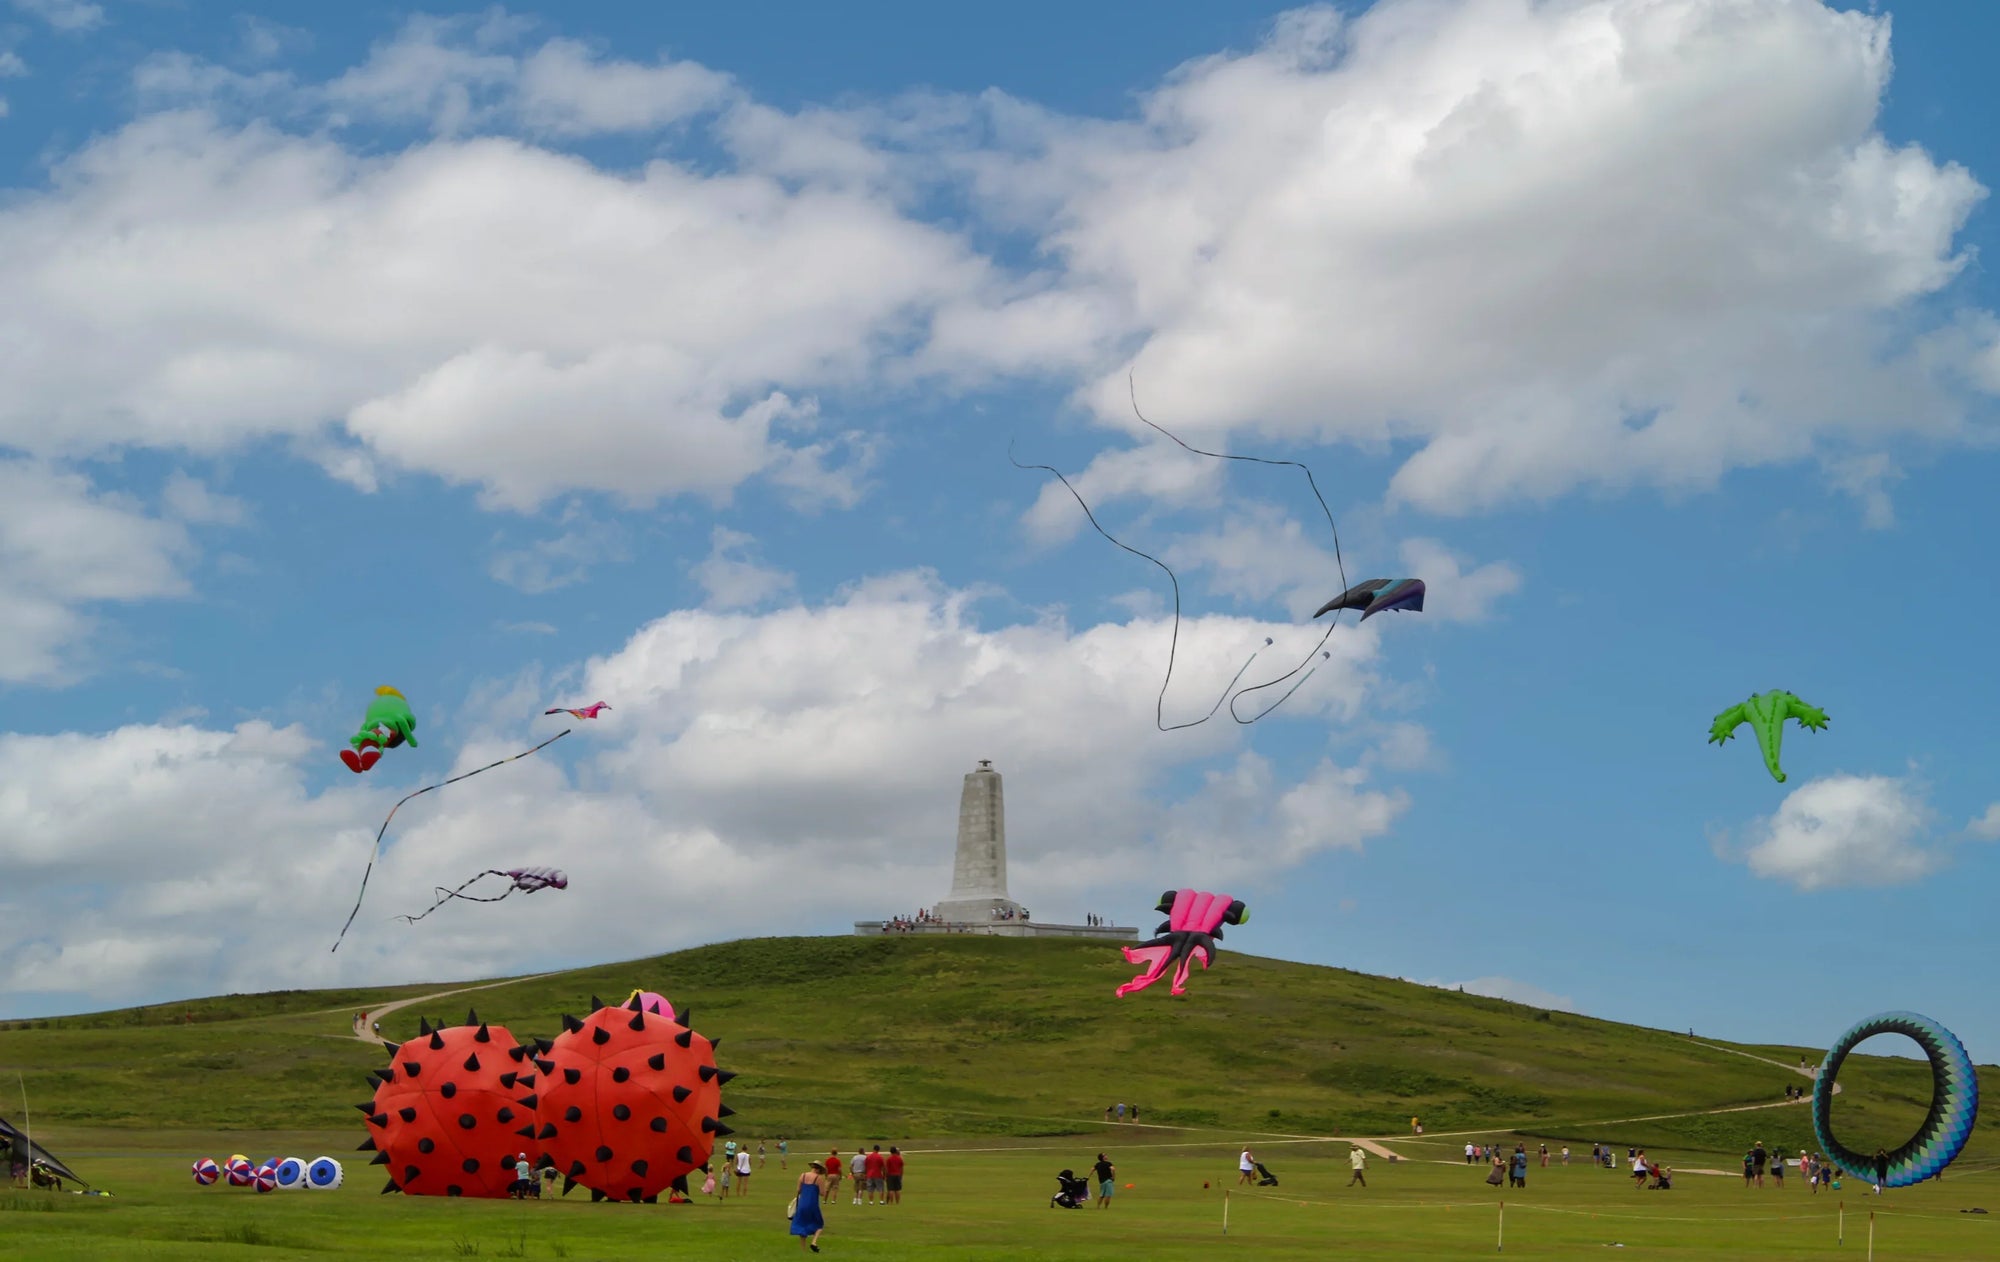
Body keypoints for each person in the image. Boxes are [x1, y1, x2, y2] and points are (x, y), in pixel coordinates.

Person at [789, 1161, 827, 1253]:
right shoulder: (818, 1178)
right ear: (819, 1169)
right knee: (819, 1224)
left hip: (802, 1203)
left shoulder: (803, 1175)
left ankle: (803, 1250)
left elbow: (798, 1190)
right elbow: (822, 1193)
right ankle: (814, 1242)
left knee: (802, 1225)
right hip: (812, 1204)